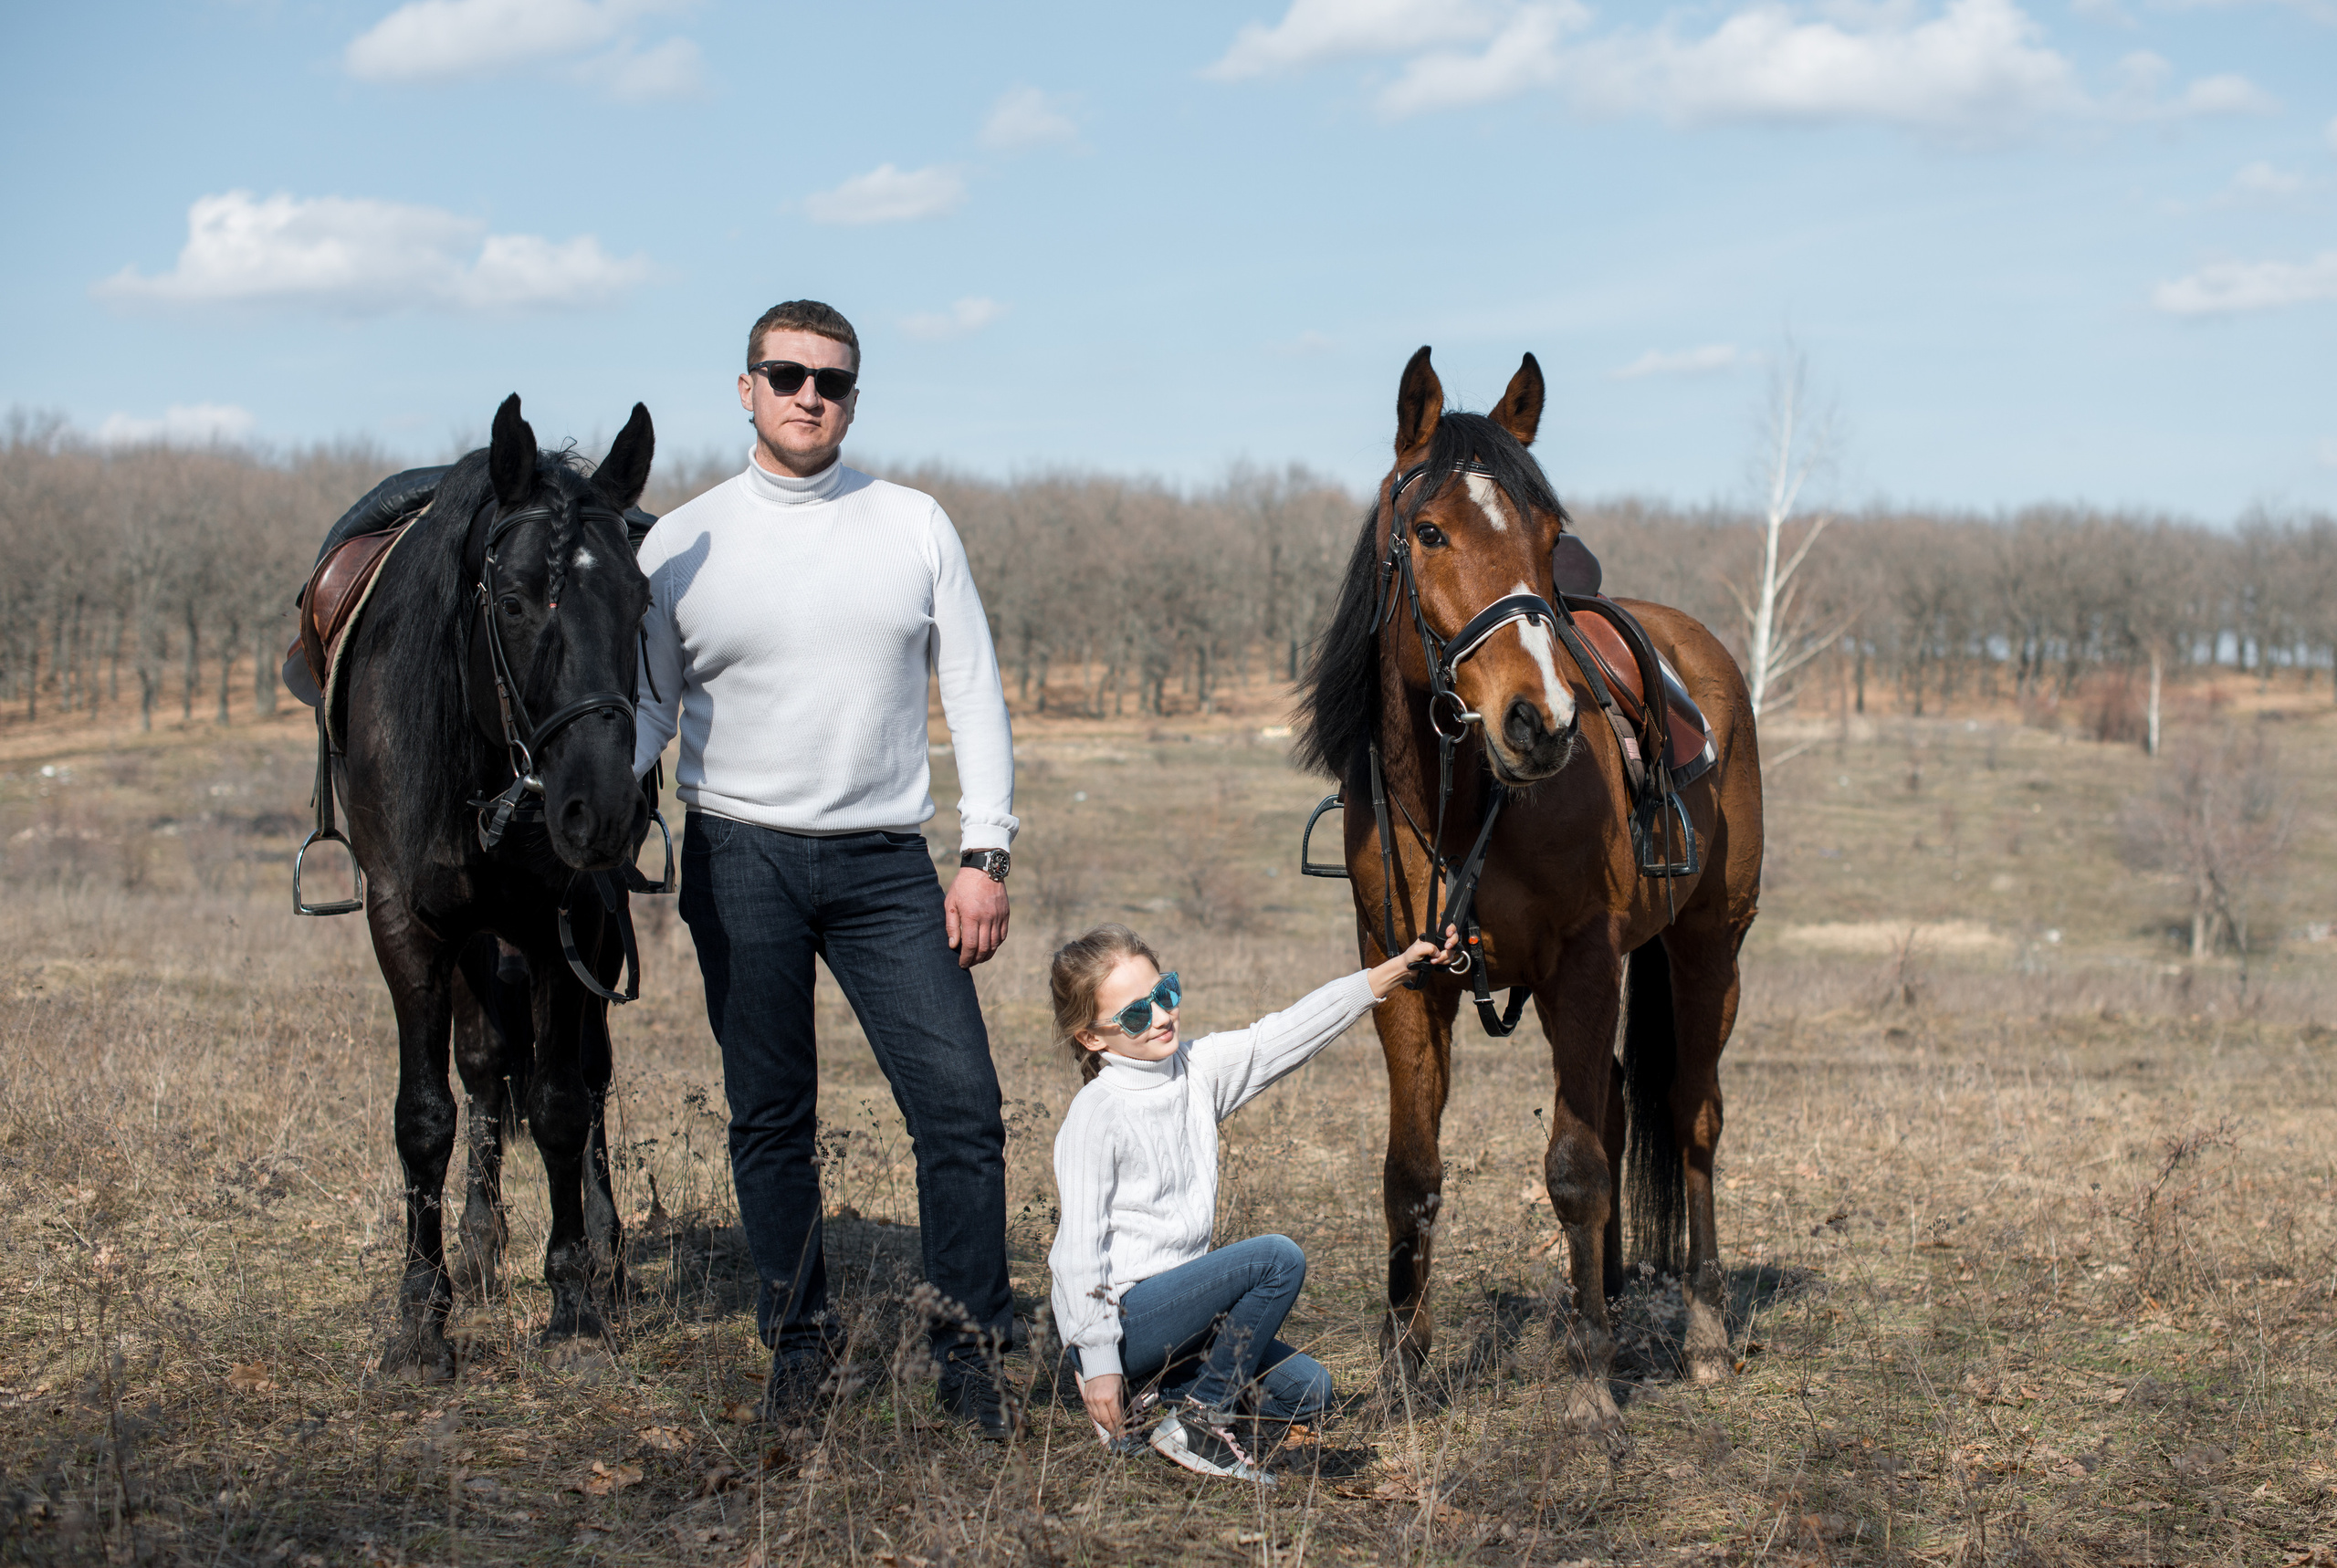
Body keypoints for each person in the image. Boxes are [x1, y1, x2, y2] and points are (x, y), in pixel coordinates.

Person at [634, 300, 1021, 1437]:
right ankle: (799, 1348)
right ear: (744, 387)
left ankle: (968, 1353)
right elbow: (651, 707)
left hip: (885, 865)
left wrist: (982, 853)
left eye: (834, 381)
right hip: (738, 854)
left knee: (962, 1106)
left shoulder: (914, 523)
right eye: (788, 374)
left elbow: (974, 694)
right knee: (770, 1113)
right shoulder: (679, 544)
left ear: (856, 397)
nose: (812, 396)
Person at [1047, 922, 1459, 1480]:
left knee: (1310, 1391)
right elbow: (1075, 1255)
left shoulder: (1196, 1071)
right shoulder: (1097, 1114)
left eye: (1164, 994)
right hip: (1126, 1321)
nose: (1163, 1017)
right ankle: (1197, 1417)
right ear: (1092, 1037)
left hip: (1189, 1315)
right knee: (1276, 1258)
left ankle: (1161, 1402)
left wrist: (1394, 969)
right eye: (1137, 1014)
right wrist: (1097, 1365)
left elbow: (1285, 1033)